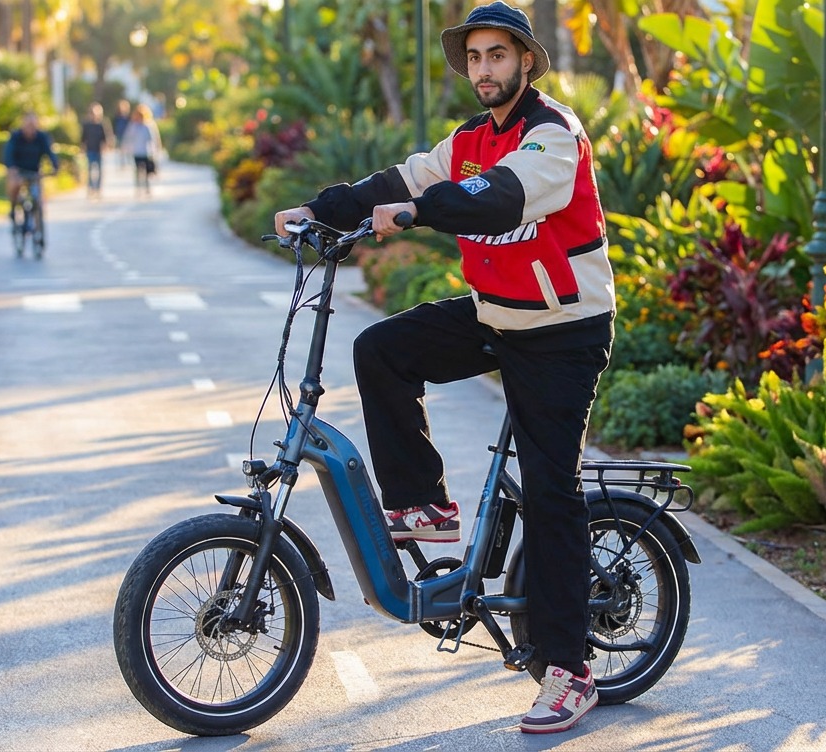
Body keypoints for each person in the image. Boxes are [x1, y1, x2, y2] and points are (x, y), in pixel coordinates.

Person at [273, 1, 612, 735]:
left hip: (561, 331)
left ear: (526, 61)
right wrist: (316, 210)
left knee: (551, 490)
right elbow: (396, 180)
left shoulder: (553, 134)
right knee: (381, 349)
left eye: (499, 55)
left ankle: (570, 668)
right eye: (476, 58)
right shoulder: (464, 142)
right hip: (497, 313)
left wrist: (421, 213)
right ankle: (424, 504)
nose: (485, 69)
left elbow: (499, 200)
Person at [2, 113, 61, 239]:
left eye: (33, 125)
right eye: (28, 125)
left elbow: (50, 153)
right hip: (19, 170)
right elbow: (8, 154)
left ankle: (37, 224)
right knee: (14, 184)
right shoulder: (16, 137)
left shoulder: (42, 137)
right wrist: (12, 168)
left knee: (38, 197)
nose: (31, 128)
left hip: (35, 171)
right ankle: (13, 208)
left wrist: (55, 167)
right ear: (23, 125)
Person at [119, 104, 163, 197]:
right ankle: (138, 188)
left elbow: (154, 138)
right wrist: (125, 148)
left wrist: (156, 150)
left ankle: (147, 188)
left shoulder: (148, 125)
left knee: (147, 172)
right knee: (138, 171)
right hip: (136, 151)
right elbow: (128, 137)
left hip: (146, 152)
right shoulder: (133, 125)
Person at [80, 102, 113, 199]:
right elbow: (83, 137)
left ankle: (98, 189)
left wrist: (106, 147)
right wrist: (82, 148)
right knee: (90, 171)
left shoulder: (102, 124)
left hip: (99, 150)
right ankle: (91, 188)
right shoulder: (86, 124)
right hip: (90, 150)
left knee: (99, 171)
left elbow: (106, 137)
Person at [112, 100, 132, 168]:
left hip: (127, 136)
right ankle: (122, 163)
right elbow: (114, 126)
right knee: (120, 150)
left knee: (127, 150)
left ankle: (128, 162)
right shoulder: (117, 117)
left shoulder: (128, 118)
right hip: (119, 135)